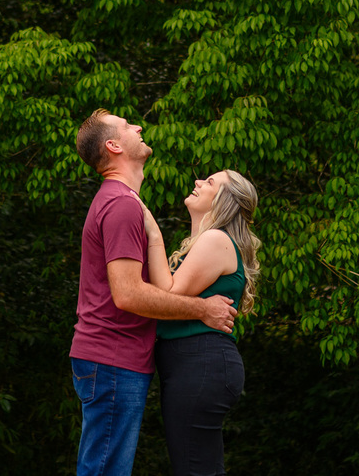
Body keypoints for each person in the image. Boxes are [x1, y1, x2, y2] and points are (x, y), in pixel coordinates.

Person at [71, 109, 239, 476]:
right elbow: (129, 295)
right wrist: (201, 309)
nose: (139, 126)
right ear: (113, 145)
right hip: (112, 356)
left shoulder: (122, 202)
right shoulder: (120, 205)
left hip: (114, 358)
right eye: (128, 126)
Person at [143, 169, 261, 476]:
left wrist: (153, 234)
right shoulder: (205, 242)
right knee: (198, 467)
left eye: (209, 182)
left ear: (224, 201)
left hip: (201, 363)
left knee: (195, 469)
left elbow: (166, 296)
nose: (197, 182)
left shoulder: (215, 239)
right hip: (196, 364)